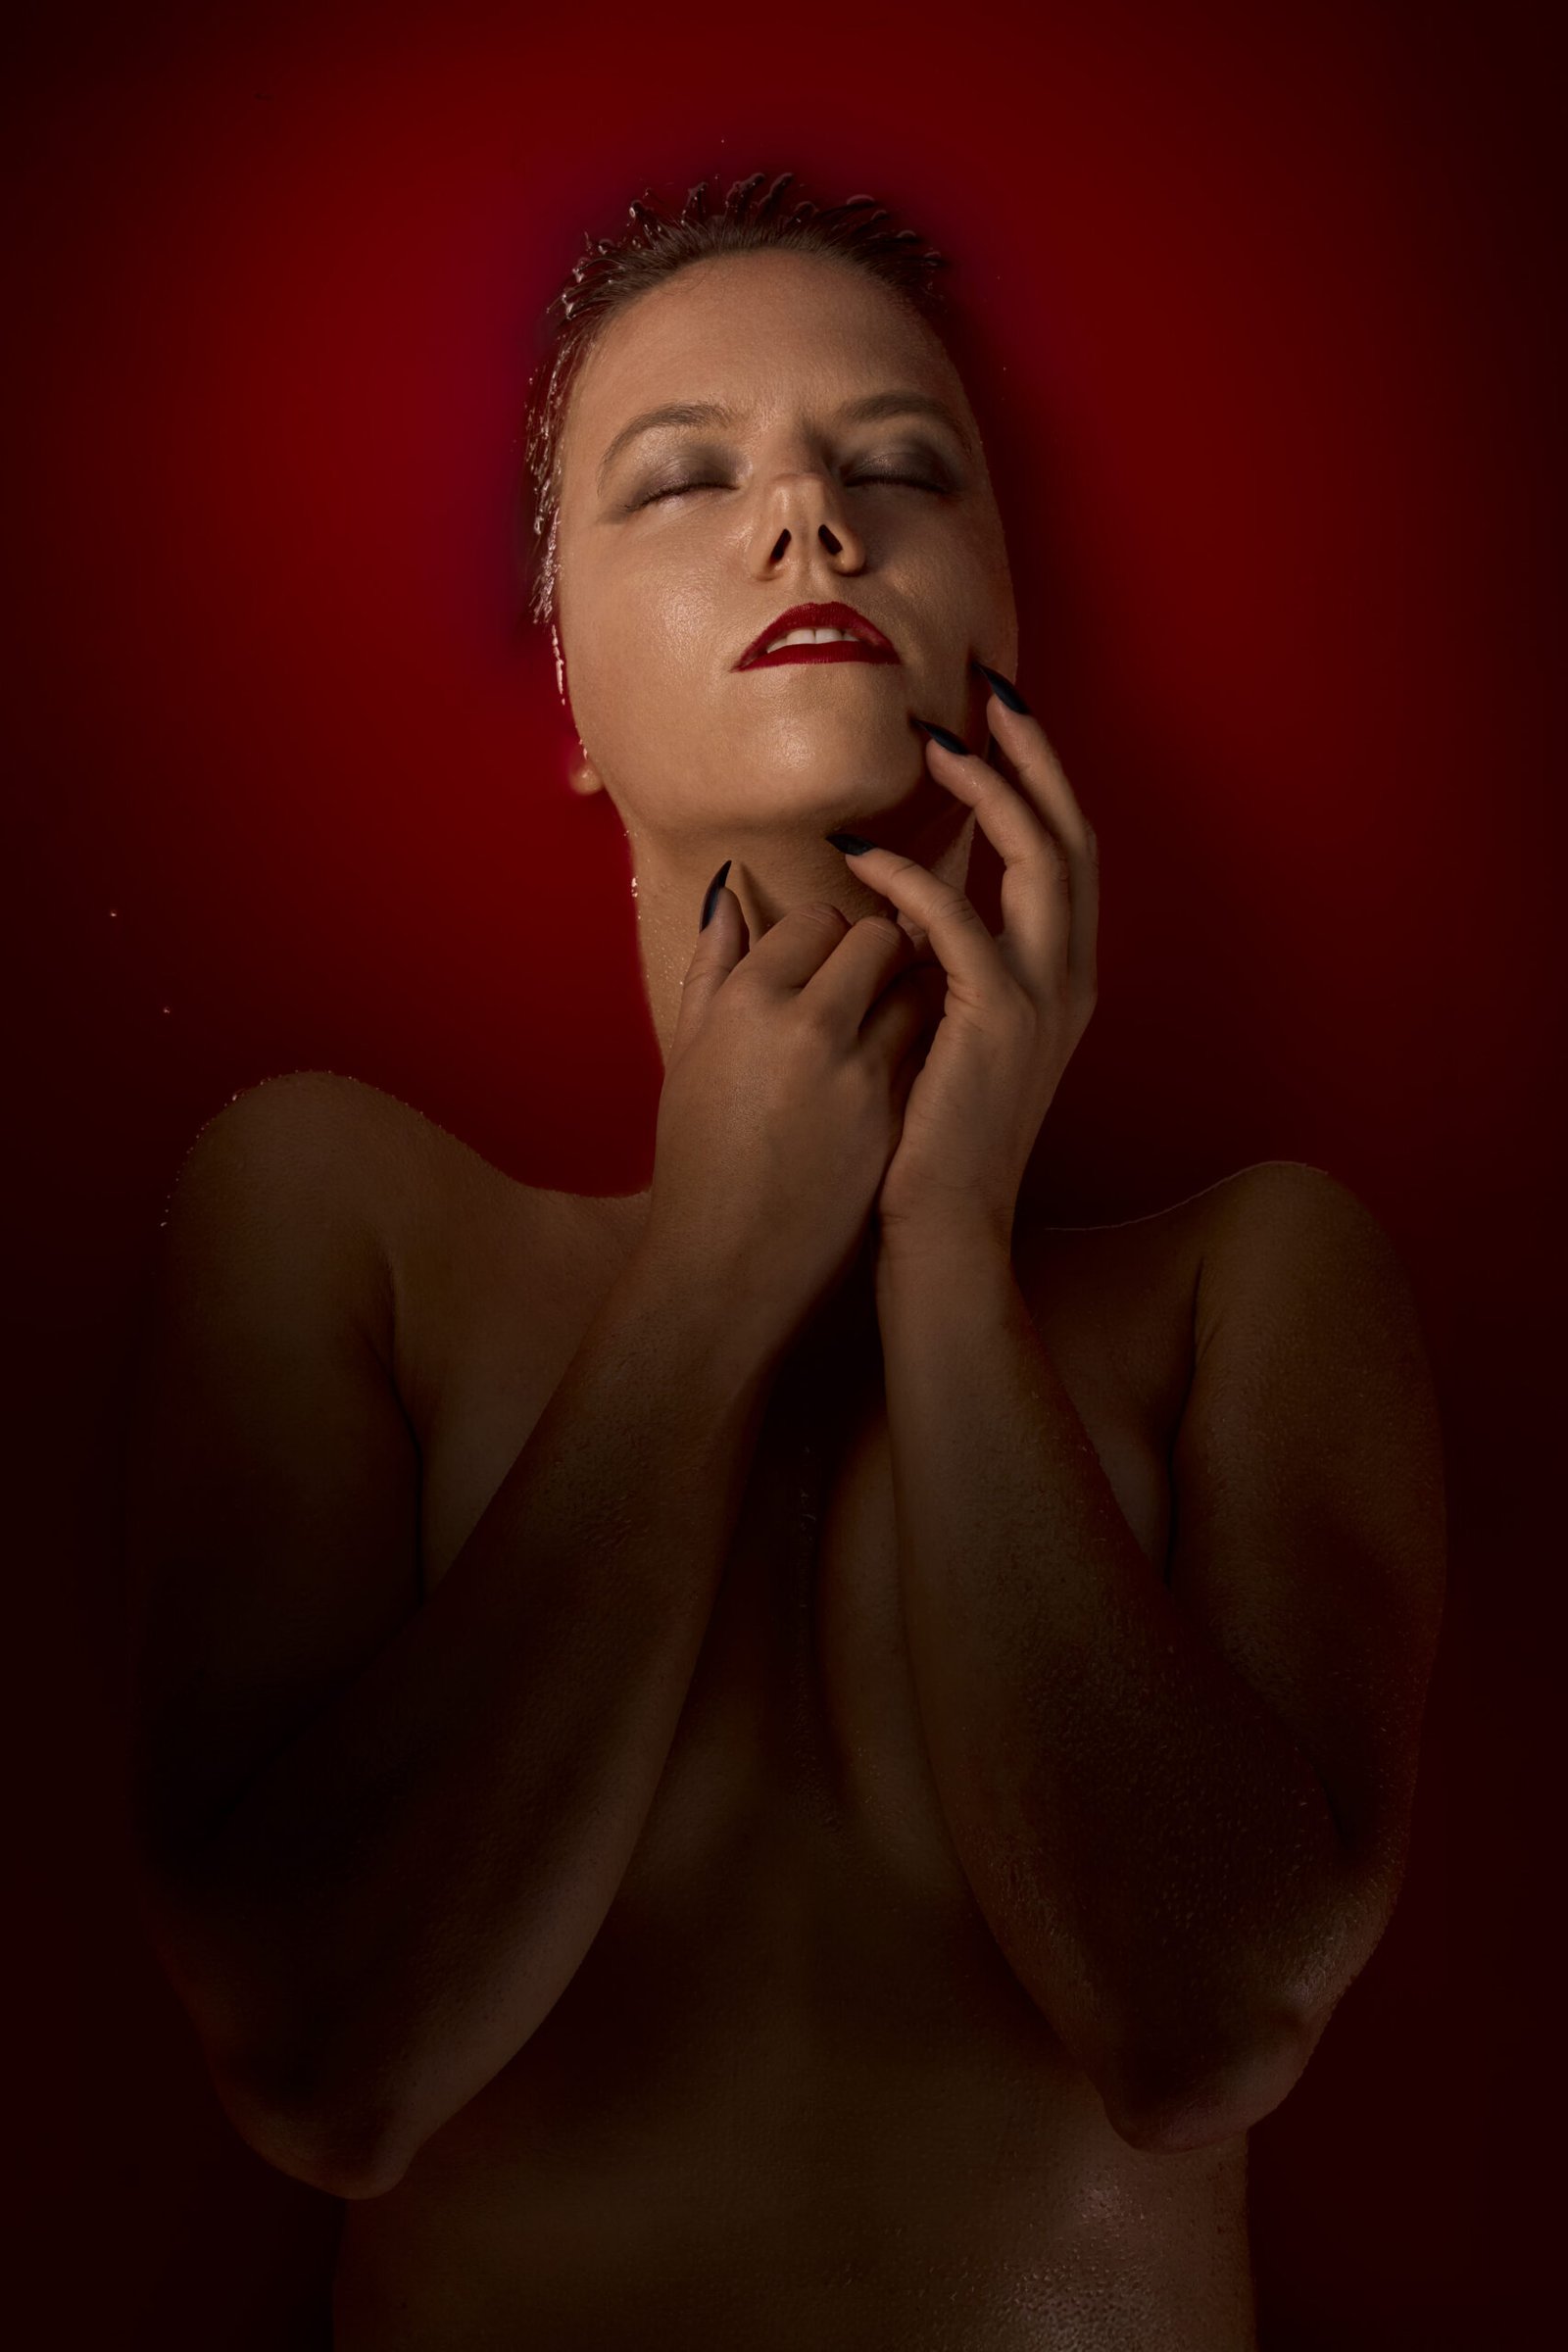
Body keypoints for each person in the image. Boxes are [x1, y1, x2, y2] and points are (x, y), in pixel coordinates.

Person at [119, 170, 1447, 2350]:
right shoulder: (338, 1232)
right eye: (683, 479)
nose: (811, 520)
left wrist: (941, 1239)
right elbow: (327, 2065)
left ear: (999, 620)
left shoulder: (1254, 1292)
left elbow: (1201, 2032)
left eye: (899, 466)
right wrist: (717, 1271)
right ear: (567, 691)